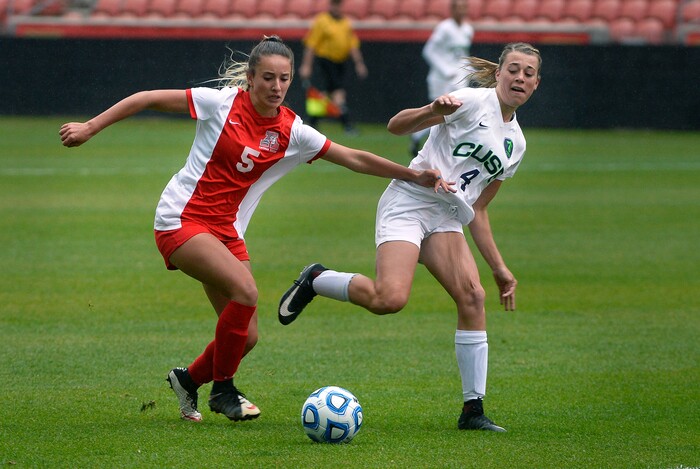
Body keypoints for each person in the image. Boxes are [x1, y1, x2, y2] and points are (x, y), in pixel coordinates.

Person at [59, 35, 450, 423]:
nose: (276, 87)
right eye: (267, 78)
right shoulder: (221, 104)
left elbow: (354, 158)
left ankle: (188, 380)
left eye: (284, 79)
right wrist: (90, 127)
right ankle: (224, 391)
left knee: (246, 337)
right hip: (182, 218)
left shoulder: (292, 128)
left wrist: (413, 175)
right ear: (250, 77)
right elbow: (146, 97)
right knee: (246, 292)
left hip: (225, 231)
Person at [279, 42, 542, 432]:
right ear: (499, 72)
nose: (520, 77)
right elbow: (395, 126)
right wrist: (432, 111)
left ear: (536, 84)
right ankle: (317, 279)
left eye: (529, 73)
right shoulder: (470, 101)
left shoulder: (515, 144)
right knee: (390, 299)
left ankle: (473, 410)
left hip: (446, 216)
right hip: (409, 200)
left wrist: (500, 268)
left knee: (473, 297)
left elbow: (479, 210)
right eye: (513, 69)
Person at [410, 0, 474, 157]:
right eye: (458, 8)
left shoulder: (468, 29)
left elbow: (462, 55)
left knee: (458, 111)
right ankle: (418, 136)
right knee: (440, 114)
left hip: (457, 79)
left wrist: (468, 69)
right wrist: (446, 70)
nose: (462, 11)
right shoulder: (444, 28)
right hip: (441, 78)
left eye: (464, 7)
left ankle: (452, 147)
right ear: (452, 10)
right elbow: (429, 51)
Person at [299, 0, 368, 133]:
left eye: (338, 4)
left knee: (326, 95)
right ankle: (347, 125)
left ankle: (312, 123)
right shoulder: (322, 21)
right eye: (334, 4)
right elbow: (311, 44)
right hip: (325, 61)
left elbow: (353, 45)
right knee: (338, 93)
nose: (336, 7)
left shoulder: (345, 23)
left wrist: (359, 63)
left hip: (340, 63)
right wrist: (306, 65)